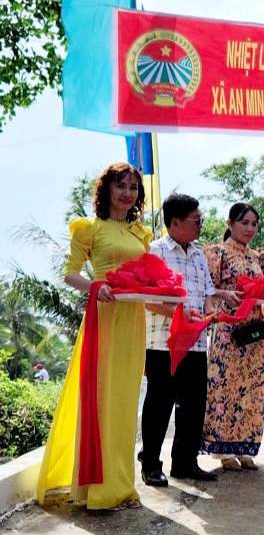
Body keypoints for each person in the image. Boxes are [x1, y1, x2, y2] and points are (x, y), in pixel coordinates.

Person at [37, 162, 152, 511]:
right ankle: (102, 492)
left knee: (126, 404)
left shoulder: (139, 233)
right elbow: (70, 274)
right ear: (106, 190)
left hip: (133, 320)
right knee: (104, 402)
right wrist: (96, 286)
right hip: (103, 320)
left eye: (133, 187)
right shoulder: (90, 228)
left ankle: (124, 487)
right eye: (121, 186)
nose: (127, 193)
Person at [138, 194, 228, 488]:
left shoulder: (200, 256)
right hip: (163, 342)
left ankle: (185, 463)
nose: (201, 225)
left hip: (196, 342)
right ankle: (151, 465)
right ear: (175, 222)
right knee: (159, 404)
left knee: (194, 404)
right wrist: (179, 313)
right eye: (196, 220)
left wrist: (210, 312)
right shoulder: (155, 252)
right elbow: (146, 300)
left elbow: (208, 295)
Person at [202, 203, 264, 472]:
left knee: (253, 390)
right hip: (228, 331)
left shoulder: (257, 257)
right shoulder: (217, 253)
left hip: (254, 332)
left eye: (254, 224)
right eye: (244, 223)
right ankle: (223, 450)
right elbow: (208, 289)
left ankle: (245, 447)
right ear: (230, 223)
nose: (250, 229)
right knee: (225, 388)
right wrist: (224, 296)